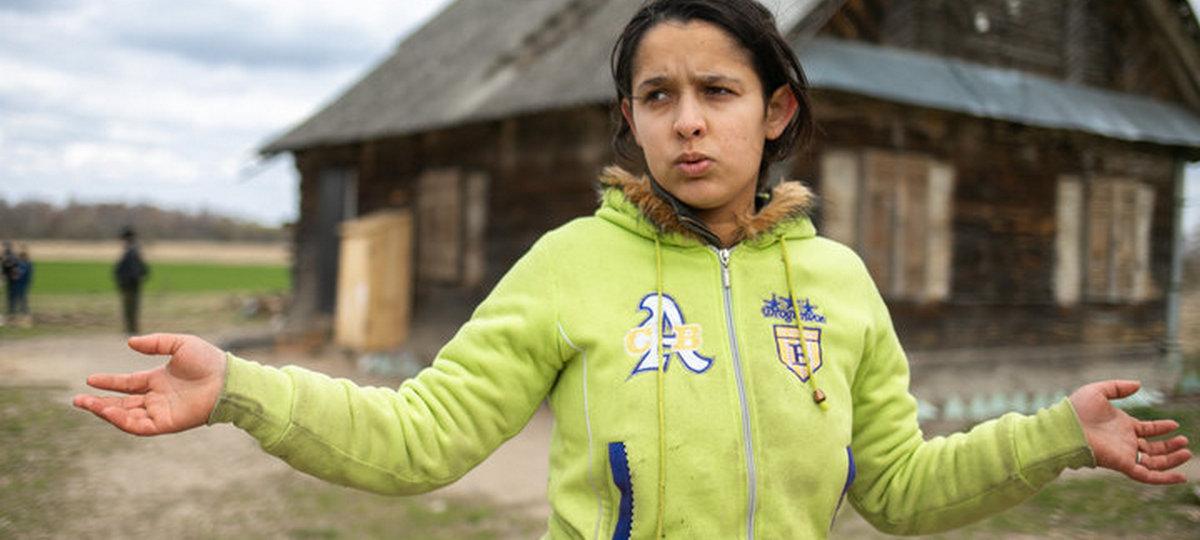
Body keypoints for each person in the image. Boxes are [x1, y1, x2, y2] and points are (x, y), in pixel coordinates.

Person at [73, 1, 1190, 538]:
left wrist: (1056, 433)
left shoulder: (840, 284)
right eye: (659, 96)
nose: (687, 121)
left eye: (718, 91)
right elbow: (422, 436)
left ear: (776, 110)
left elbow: (897, 486)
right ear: (630, 118)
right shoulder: (571, 264)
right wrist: (244, 388)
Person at [113, 227, 149, 335]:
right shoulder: (134, 250)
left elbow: (132, 270)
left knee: (130, 308)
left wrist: (125, 280)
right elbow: (143, 269)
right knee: (132, 308)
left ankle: (131, 330)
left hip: (130, 285)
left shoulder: (131, 251)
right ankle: (132, 329)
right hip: (133, 284)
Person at [10, 244, 33, 327]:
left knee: (22, 300)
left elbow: (21, 273)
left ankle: (25, 316)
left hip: (22, 284)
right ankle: (18, 316)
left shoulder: (26, 264)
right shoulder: (23, 263)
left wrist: (15, 274)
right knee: (19, 299)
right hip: (20, 283)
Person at [1, 240, 17, 326]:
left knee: (10, 296)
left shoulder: (10, 255)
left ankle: (11, 313)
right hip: (6, 278)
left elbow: (10, 265)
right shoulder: (6, 254)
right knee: (8, 297)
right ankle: (9, 313)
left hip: (9, 279)